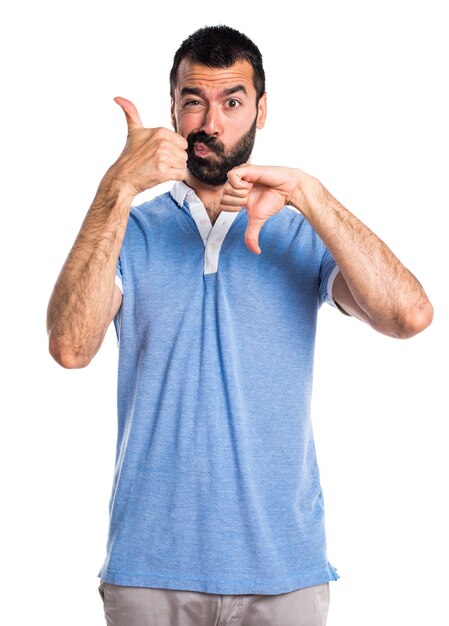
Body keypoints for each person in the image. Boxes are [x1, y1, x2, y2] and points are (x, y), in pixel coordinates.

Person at [46, 24, 433, 626]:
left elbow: (409, 316)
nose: (211, 122)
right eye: (194, 100)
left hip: (283, 572)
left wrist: (310, 193)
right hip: (149, 571)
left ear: (260, 110)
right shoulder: (129, 231)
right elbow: (70, 347)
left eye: (232, 101)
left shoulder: (301, 229)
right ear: (172, 108)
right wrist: (117, 187)